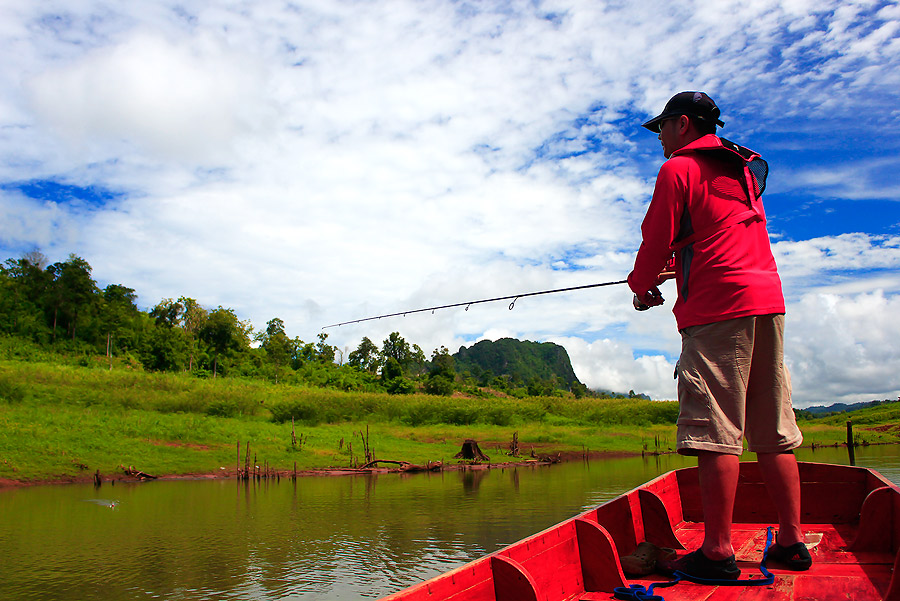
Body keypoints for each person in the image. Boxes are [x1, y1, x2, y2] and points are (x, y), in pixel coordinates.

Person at [627, 91, 812, 580]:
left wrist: (641, 285)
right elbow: (713, 234)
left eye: (662, 128)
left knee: (715, 430)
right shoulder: (741, 171)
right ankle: (793, 543)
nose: (660, 138)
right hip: (766, 300)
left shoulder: (678, 169)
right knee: (772, 428)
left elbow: (656, 237)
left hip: (717, 309)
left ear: (683, 124)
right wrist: (675, 265)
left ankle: (716, 552)